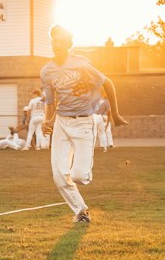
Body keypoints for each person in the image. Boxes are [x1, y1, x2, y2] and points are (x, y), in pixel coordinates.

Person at [40, 24, 127, 225]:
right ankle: (81, 211)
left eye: (61, 42)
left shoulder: (81, 64)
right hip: (62, 123)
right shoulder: (47, 71)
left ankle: (83, 172)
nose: (57, 45)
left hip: (83, 124)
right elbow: (50, 101)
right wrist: (47, 120)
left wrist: (115, 112)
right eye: (54, 41)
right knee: (59, 175)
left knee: (78, 176)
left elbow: (108, 83)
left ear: (69, 45)